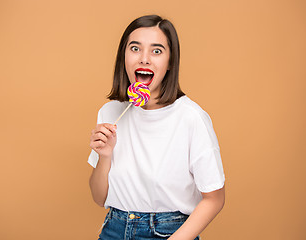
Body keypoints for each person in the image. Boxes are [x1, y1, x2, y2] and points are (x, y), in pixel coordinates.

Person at [88, 15, 226, 240]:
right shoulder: (110, 113)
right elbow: (99, 198)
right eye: (135, 48)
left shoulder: (191, 118)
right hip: (114, 228)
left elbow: (215, 199)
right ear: (124, 55)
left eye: (157, 51)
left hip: (168, 232)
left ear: (170, 61)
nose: (144, 59)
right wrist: (104, 156)